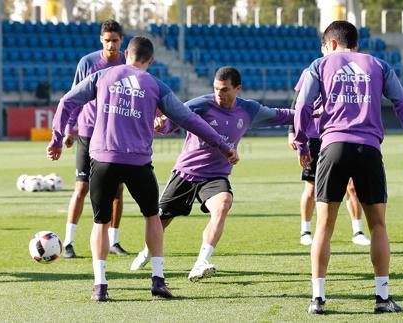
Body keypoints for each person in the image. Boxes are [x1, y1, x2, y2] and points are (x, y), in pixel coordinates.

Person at [47, 36, 238, 301]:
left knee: (100, 222)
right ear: (151, 60)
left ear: (127, 53)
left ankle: (100, 285)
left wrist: (57, 139)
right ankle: (158, 280)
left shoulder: (102, 76)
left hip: (104, 159)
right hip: (138, 163)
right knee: (152, 217)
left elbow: (67, 101)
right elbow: (188, 118)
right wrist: (223, 144)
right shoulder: (155, 85)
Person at [293, 21, 403, 314]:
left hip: (333, 147)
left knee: (324, 226)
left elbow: (302, 106)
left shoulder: (320, 65)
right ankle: (382, 298)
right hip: (368, 149)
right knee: (378, 225)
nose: (323, 51)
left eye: (324, 46)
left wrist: (302, 143)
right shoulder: (379, 65)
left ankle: (318, 299)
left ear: (332, 44)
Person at [130, 67, 294, 281]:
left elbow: (280, 115)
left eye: (225, 89)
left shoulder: (249, 110)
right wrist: (162, 124)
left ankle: (201, 262)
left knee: (223, 204)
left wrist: (309, 114)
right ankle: (147, 251)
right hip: (187, 172)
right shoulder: (200, 105)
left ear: (238, 89)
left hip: (216, 176)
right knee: (161, 220)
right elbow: (172, 121)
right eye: (216, 88)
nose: (219, 93)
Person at [61, 20, 128, 258]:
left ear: (122, 41)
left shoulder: (127, 62)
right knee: (82, 187)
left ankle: (113, 240)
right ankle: (68, 242)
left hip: (116, 134)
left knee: (118, 190)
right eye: (107, 40)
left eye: (115, 41)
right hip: (89, 132)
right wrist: (69, 128)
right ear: (101, 40)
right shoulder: (88, 62)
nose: (111, 45)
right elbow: (74, 96)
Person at [288, 69, 371, 246]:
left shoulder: (349, 73)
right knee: (311, 187)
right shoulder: (312, 71)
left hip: (338, 134)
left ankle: (357, 230)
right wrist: (292, 131)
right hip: (313, 136)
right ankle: (306, 230)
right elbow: (297, 103)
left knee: (352, 186)